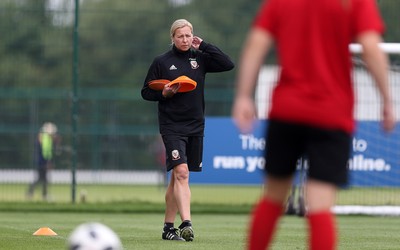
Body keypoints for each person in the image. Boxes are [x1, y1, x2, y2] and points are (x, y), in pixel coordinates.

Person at [232, 0, 396, 249]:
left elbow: (257, 43)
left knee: (273, 198)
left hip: (287, 110)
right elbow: (371, 48)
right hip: (331, 114)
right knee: (319, 205)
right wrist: (387, 99)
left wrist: (244, 95)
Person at [141, 19, 234, 242]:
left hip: (195, 125)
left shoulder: (199, 58)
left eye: (188, 35)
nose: (184, 40)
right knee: (182, 173)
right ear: (172, 37)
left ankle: (167, 228)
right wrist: (163, 94)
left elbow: (228, 63)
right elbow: (146, 91)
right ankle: (186, 223)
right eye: (180, 36)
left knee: (177, 177)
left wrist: (204, 45)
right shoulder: (162, 61)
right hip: (172, 125)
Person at [27, 122, 59, 201]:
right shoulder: (45, 138)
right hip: (42, 161)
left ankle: (36, 193)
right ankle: (39, 194)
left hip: (42, 161)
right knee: (42, 179)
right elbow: (45, 151)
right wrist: (48, 161)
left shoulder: (44, 137)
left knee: (42, 179)